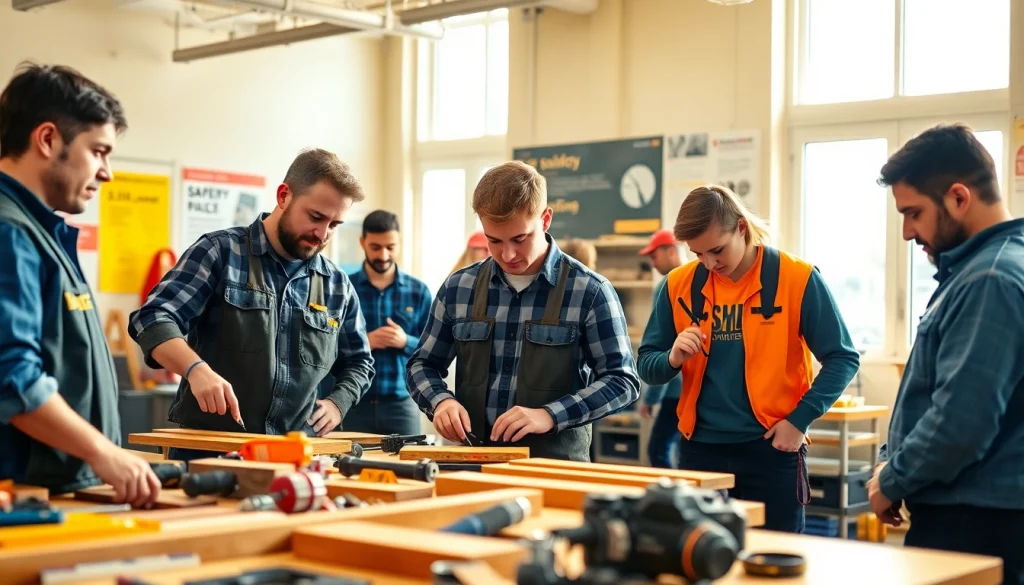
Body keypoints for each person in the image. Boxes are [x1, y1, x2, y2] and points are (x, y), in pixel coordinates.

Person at [637, 184, 859, 533]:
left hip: (772, 448)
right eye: (697, 255)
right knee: (703, 560)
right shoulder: (676, 285)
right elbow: (647, 365)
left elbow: (843, 358)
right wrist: (673, 357)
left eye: (717, 250)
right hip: (700, 453)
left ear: (741, 227)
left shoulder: (796, 278)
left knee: (775, 561)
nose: (710, 264)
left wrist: (799, 420)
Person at [129, 148, 375, 461]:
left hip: (294, 456)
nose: (322, 235)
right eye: (315, 217)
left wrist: (339, 402)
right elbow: (152, 318)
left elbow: (361, 362)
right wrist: (195, 370)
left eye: (334, 224)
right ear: (284, 196)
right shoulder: (220, 252)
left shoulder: (336, 285)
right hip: (209, 452)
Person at [869, 123, 1024, 583]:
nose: (906, 232)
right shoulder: (982, 269)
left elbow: (961, 421)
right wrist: (889, 462)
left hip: (975, 524)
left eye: (913, 213)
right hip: (976, 517)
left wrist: (891, 479)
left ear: (958, 198)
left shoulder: (990, 279)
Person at [0, 63, 161, 505]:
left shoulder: (39, 233)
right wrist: (102, 451)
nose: (107, 172)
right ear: (48, 139)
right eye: (99, 151)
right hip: (29, 497)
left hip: (62, 489)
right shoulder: (10, 232)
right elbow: (11, 377)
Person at [407, 161, 641, 461]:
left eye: (520, 239)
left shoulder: (590, 291)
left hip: (554, 469)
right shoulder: (459, 287)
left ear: (545, 220)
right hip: (472, 465)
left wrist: (550, 415)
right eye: (494, 241)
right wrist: (440, 402)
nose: (507, 254)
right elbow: (422, 363)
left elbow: (622, 381)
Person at [344, 210, 432, 435]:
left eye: (390, 247)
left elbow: (433, 350)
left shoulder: (419, 292)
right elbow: (324, 347)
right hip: (353, 403)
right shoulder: (343, 288)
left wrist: (405, 341)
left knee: (408, 469)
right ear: (362, 242)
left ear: (399, 243)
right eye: (375, 247)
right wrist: (364, 343)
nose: (383, 255)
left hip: (401, 405)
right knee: (348, 468)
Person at [637, 229, 684, 469]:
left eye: (655, 257)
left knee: (658, 451)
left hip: (674, 393)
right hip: (695, 393)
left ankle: (668, 503)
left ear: (672, 251)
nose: (653, 264)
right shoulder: (698, 281)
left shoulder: (668, 285)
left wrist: (651, 397)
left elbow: (662, 347)